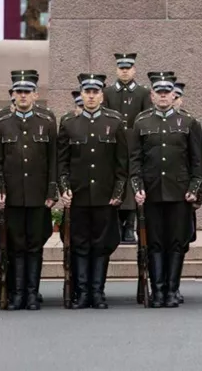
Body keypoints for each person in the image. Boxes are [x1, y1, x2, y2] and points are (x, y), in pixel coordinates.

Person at [129, 75, 202, 308]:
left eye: (166, 91)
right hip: (151, 193)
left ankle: (172, 290)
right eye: (158, 91)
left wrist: (194, 188)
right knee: (155, 244)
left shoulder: (188, 122)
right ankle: (158, 290)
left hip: (179, 193)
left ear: (174, 95)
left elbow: (197, 162)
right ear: (152, 95)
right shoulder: (142, 122)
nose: (162, 95)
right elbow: (135, 161)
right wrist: (138, 188)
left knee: (176, 243)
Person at [58, 74, 129, 309]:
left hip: (104, 196)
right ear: (81, 94)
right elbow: (63, 163)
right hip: (78, 196)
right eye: (87, 92)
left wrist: (118, 192)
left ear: (101, 94)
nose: (90, 96)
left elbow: (122, 164)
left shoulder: (115, 121)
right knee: (79, 245)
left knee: (100, 245)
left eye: (95, 92)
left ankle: (97, 292)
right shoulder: (69, 123)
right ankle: (82, 292)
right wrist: (64, 188)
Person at [0, 70, 59, 311]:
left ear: (35, 95)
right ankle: (17, 294)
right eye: (18, 92)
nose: (22, 96)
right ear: (12, 95)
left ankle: (32, 293)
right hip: (12, 198)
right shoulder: (2, 125)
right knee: (15, 246)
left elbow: (53, 161)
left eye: (27, 92)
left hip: (38, 197)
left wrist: (52, 192)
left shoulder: (47, 123)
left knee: (34, 246)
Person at [104, 53, 150, 244]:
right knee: (113, 180)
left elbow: (146, 118)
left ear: (134, 70)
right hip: (113, 145)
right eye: (121, 68)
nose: (124, 71)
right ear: (116, 70)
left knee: (132, 183)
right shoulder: (107, 92)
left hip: (134, 145)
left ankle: (129, 226)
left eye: (128, 68)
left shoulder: (142, 92)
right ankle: (116, 224)